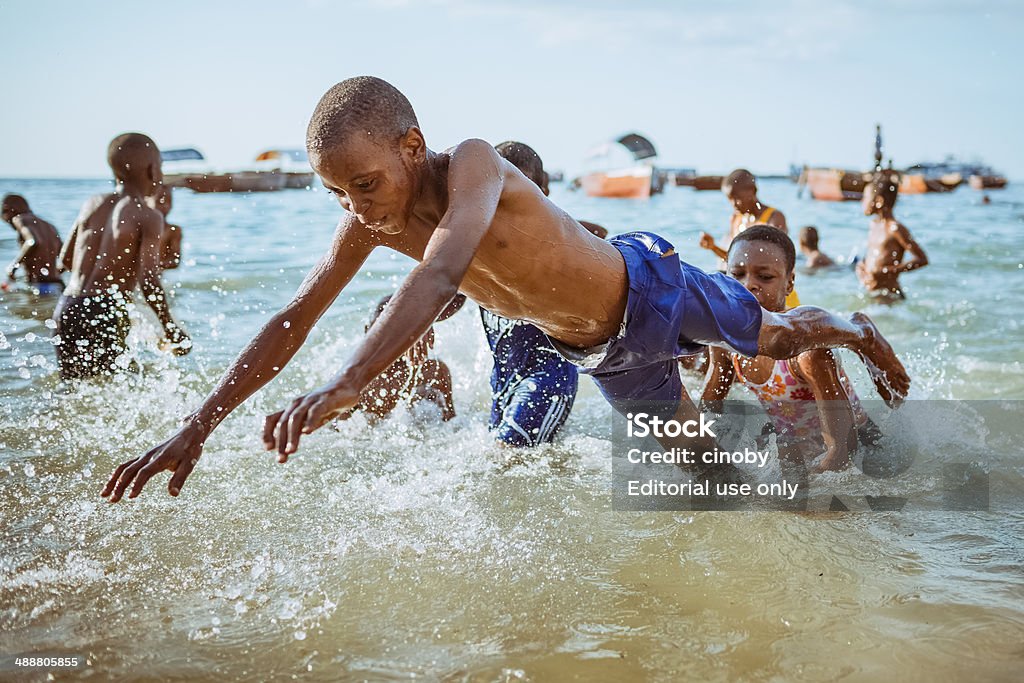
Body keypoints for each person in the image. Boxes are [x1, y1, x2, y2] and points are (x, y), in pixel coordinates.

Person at [104, 76, 908, 502]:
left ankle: (854, 326)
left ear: (412, 146)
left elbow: (444, 268)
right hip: (602, 351)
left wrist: (350, 380)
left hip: (651, 283)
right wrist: (198, 425)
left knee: (775, 337)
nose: (358, 206)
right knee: (711, 481)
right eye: (337, 194)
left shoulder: (477, 163)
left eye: (366, 182)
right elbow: (292, 318)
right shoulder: (368, 223)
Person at [701, 226, 882, 472]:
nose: (748, 285)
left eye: (764, 277)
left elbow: (843, 450)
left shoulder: (806, 352)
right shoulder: (725, 343)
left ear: (789, 283)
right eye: (737, 274)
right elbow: (709, 413)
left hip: (864, 444)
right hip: (795, 439)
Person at [56, 133, 190, 379]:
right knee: (113, 385)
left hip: (68, 306)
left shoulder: (93, 203)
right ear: (153, 170)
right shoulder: (148, 216)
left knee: (73, 388)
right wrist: (170, 327)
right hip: (106, 309)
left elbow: (65, 260)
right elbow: (148, 280)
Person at [341, 295, 455, 422]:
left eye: (395, 336)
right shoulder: (356, 380)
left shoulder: (433, 371)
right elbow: (337, 428)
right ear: (367, 333)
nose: (388, 345)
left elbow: (451, 421)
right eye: (380, 335)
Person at [857, 171, 928, 300]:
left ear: (879, 201)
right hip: (873, 292)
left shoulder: (895, 228)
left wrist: (888, 271)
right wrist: (861, 267)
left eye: (865, 197)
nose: (862, 201)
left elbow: (922, 259)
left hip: (890, 295)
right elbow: (873, 255)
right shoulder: (873, 225)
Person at [698, 168, 788, 263]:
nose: (734, 204)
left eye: (737, 198)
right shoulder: (735, 219)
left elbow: (777, 258)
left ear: (753, 191)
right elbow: (734, 261)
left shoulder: (774, 218)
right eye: (730, 199)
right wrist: (713, 247)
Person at [2, 194, 64, 295]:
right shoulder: (49, 226)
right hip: (58, 285)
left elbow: (32, 242)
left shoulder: (19, 219)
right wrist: (56, 272)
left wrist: (13, 267)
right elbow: (66, 257)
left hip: (39, 285)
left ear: (8, 210)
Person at [145, 184, 183, 271]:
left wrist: (154, 266)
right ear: (146, 201)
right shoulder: (139, 228)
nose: (165, 206)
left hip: (157, 276)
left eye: (169, 202)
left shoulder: (174, 231)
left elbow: (175, 261)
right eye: (160, 202)